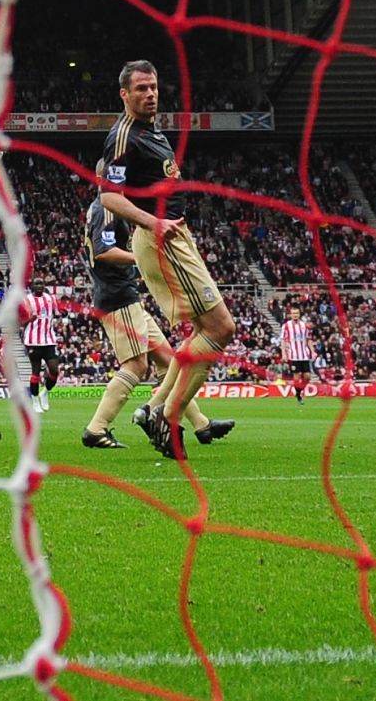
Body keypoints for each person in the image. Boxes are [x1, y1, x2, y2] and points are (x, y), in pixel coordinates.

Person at [99, 60, 237, 459]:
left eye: (154, 87)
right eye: (141, 88)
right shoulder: (124, 136)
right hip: (160, 237)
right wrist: (153, 223)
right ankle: (166, 413)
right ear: (124, 94)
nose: (150, 94)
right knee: (220, 328)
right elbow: (109, 196)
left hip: (174, 235)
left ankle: (155, 409)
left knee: (203, 330)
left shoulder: (152, 130)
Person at [81, 159, 235, 449]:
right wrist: (142, 259)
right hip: (117, 296)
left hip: (123, 295)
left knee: (168, 358)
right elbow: (103, 251)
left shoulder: (101, 209)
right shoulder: (106, 209)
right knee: (136, 365)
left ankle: (200, 424)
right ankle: (97, 428)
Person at [20, 280, 61, 413]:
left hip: (49, 340)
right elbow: (20, 322)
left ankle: (45, 393)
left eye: (41, 284)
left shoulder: (51, 298)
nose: (39, 286)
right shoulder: (26, 301)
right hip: (32, 341)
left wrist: (63, 314)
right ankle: (35, 400)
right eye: (36, 284)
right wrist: (29, 320)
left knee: (54, 370)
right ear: (32, 287)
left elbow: (57, 313)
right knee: (35, 371)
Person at [279, 307, 313, 406]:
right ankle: (298, 396)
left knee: (308, 376)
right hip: (293, 356)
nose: (295, 315)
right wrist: (284, 354)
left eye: (297, 313)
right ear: (290, 314)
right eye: (293, 313)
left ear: (299, 314)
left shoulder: (304, 325)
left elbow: (308, 339)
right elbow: (283, 340)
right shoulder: (286, 326)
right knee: (297, 378)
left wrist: (312, 351)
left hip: (304, 355)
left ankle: (299, 391)